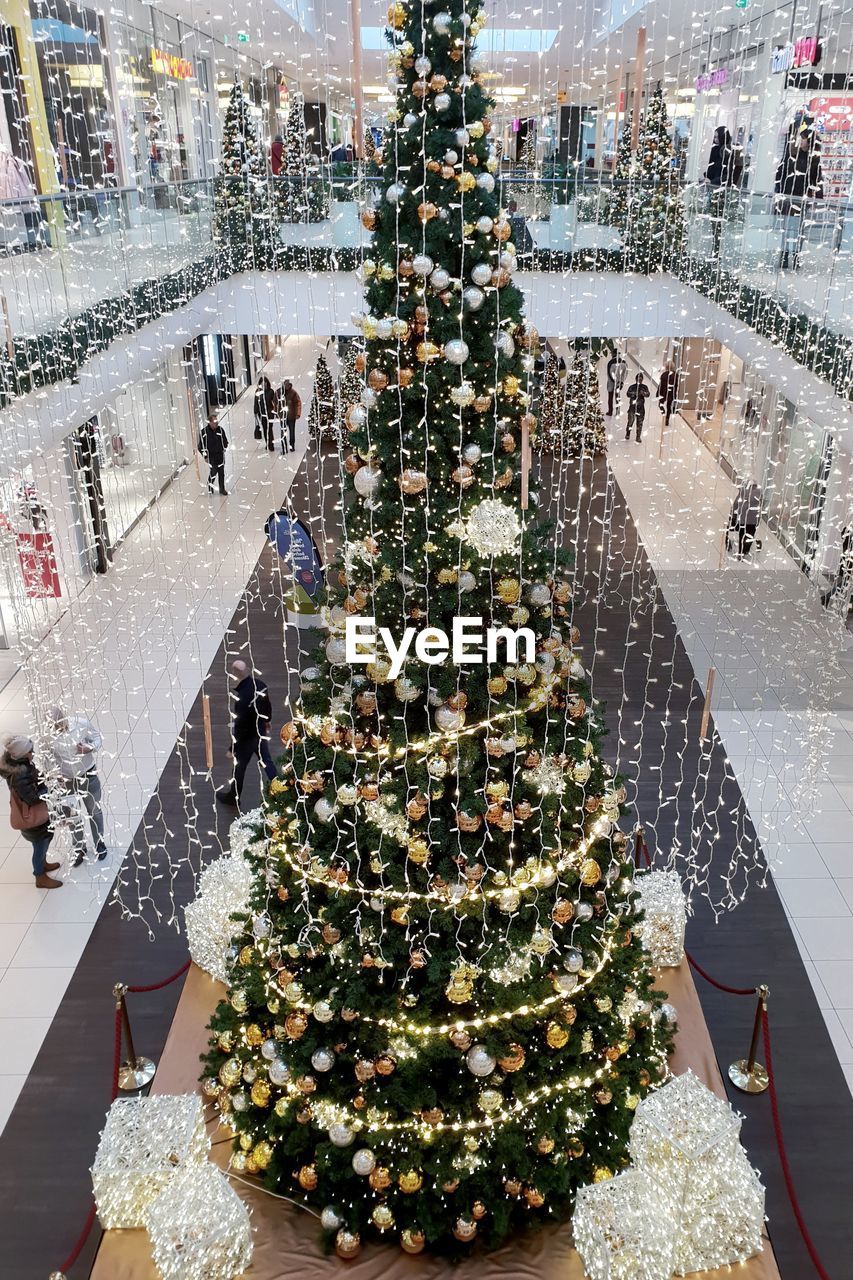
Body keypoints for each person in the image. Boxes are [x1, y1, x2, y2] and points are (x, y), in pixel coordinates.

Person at [49, 706, 108, 865]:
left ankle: (99, 843)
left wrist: (89, 748)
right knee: (72, 816)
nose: (55, 729)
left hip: (88, 776)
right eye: (52, 726)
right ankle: (79, 848)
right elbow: (48, 758)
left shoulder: (81, 723)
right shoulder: (47, 736)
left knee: (94, 811)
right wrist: (55, 773)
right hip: (67, 781)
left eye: (57, 725)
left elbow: (97, 738)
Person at [0, 735, 61, 889]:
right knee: (40, 846)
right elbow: (32, 798)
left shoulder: (23, 765)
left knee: (44, 842)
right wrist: (49, 789)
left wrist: (46, 778)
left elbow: (34, 781)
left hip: (38, 815)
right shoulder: (20, 774)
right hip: (33, 820)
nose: (33, 752)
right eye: (31, 750)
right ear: (23, 754)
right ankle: (39, 876)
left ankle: (43, 864)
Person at [216, 660, 276, 806]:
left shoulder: (242, 698)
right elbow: (267, 705)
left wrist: (233, 748)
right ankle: (281, 788)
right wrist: (267, 720)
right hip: (260, 730)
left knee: (239, 768)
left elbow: (240, 726)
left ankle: (233, 797)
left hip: (248, 738)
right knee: (266, 761)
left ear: (236, 674)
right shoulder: (260, 685)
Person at [775, 125, 824, 270]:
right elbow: (781, 173)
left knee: (798, 229)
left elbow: (817, 180)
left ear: (809, 141)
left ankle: (796, 256)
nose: (801, 141)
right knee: (787, 228)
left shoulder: (813, 161)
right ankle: (784, 256)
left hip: (802, 199)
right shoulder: (792, 155)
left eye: (803, 139)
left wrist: (818, 199)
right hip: (788, 197)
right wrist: (779, 190)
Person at [705, 126, 741, 255]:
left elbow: (728, 175)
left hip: (721, 192)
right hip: (715, 190)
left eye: (716, 136)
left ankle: (717, 250)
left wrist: (713, 181)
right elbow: (714, 169)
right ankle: (715, 249)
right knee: (714, 221)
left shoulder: (727, 153)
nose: (714, 139)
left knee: (717, 221)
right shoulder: (717, 151)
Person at [821, 524, 853, 610]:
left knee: (844, 583)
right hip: (848, 564)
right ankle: (827, 597)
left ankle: (827, 597)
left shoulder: (847, 531)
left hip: (847, 564)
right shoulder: (848, 532)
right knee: (844, 583)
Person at [728, 480, 763, 558]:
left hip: (743, 518)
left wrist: (733, 514)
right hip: (753, 519)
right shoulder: (759, 492)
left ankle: (741, 552)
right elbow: (760, 506)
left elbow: (736, 504)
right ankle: (745, 551)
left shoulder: (743, 491)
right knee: (750, 535)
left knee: (742, 535)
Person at [200, 413, 229, 495]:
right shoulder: (204, 432)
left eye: (217, 421)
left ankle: (222, 489)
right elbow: (201, 446)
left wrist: (225, 445)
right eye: (214, 422)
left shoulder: (220, 429)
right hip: (211, 456)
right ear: (210, 422)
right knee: (214, 471)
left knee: (221, 472)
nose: (216, 423)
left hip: (220, 454)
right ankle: (210, 485)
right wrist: (205, 456)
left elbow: (224, 439)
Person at [254, 376, 278, 452]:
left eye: (265, 383)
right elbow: (256, 403)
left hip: (269, 413)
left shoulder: (271, 392)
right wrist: (255, 411)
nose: (263, 385)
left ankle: (271, 444)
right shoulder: (257, 392)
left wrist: (275, 411)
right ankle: (268, 443)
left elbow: (274, 402)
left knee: (269, 429)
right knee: (265, 429)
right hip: (261, 414)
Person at [279, 380, 302, 454]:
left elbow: (298, 403)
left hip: (291, 416)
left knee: (291, 431)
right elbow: (275, 403)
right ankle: (284, 446)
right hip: (283, 416)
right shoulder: (280, 392)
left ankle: (291, 445)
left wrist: (298, 414)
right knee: (283, 432)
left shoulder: (293, 393)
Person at [625, 373, 650, 441]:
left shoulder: (644, 387)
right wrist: (633, 393)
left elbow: (648, 394)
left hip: (641, 408)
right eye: (638, 379)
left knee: (640, 423)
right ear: (636, 379)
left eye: (641, 379)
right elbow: (628, 393)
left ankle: (638, 436)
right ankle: (628, 433)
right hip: (632, 408)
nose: (639, 380)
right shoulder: (632, 387)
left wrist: (643, 393)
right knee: (630, 421)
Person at [605, 350, 627, 417]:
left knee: (610, 397)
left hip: (611, 382)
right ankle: (618, 411)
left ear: (613, 354)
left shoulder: (610, 363)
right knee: (617, 396)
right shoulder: (624, 362)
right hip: (619, 382)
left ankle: (610, 411)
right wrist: (621, 382)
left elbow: (609, 373)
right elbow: (625, 373)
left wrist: (614, 381)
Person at [658, 361, 678, 426]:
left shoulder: (664, 375)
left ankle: (663, 412)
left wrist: (658, 393)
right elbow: (676, 385)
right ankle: (667, 418)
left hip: (663, 392)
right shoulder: (675, 375)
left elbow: (661, 385)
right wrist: (675, 394)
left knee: (660, 404)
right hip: (671, 392)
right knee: (669, 406)